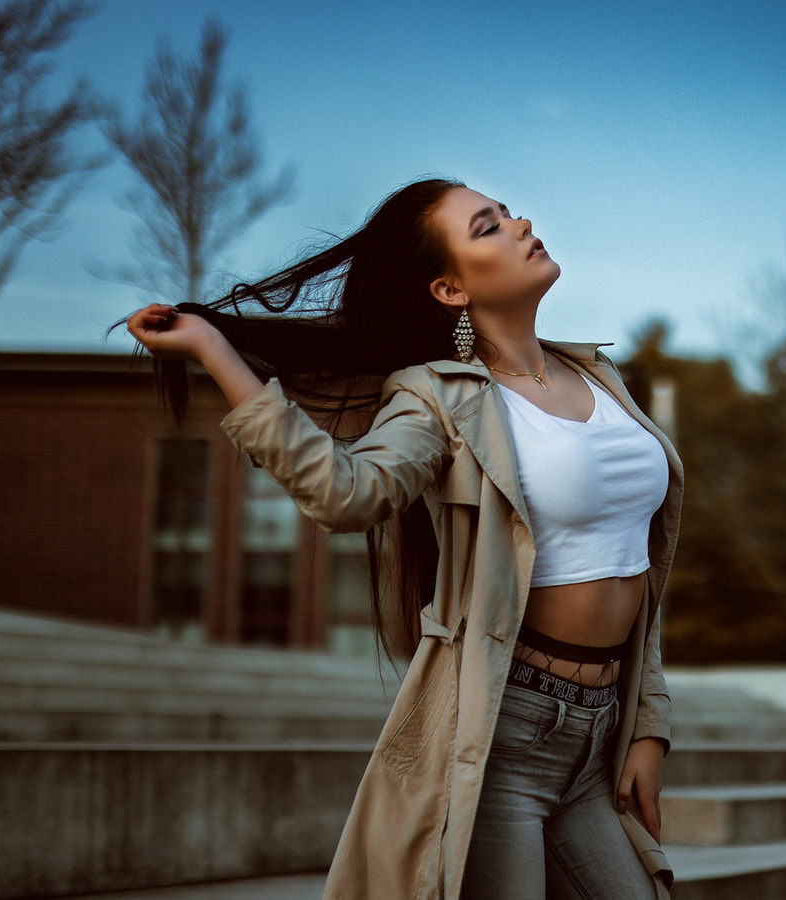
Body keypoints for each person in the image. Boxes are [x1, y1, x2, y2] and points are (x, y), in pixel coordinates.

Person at [124, 177, 681, 900]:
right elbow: (346, 494)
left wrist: (647, 726)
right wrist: (215, 351)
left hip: (598, 737)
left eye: (508, 212)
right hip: (499, 735)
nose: (521, 224)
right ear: (450, 288)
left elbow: (644, 568)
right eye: (488, 227)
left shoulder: (599, 376)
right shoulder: (437, 395)